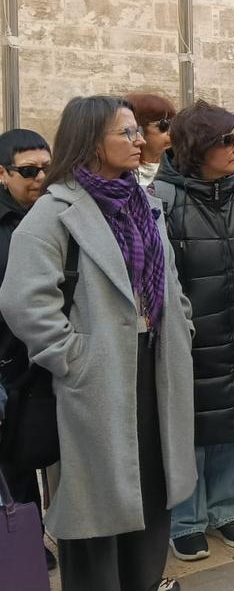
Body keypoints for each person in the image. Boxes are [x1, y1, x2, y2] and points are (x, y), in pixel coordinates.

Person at [0, 95, 195, 591]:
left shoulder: (143, 205)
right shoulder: (54, 212)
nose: (139, 140)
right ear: (90, 142)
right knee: (95, 509)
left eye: (137, 131)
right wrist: (75, 359)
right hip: (94, 379)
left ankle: (145, 582)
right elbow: (25, 302)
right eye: (125, 133)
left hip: (154, 368)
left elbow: (170, 282)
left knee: (152, 491)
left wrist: (182, 328)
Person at [150, 102, 234, 562]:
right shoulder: (160, 199)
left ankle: (226, 510)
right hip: (188, 338)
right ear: (198, 147)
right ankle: (185, 520)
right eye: (228, 140)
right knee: (190, 432)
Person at [0, 128, 57, 571]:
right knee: (12, 465)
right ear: (2, 174)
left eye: (45, 167)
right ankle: (22, 544)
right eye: (27, 170)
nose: (40, 177)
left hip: (46, 362)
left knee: (40, 453)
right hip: (7, 368)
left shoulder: (57, 216)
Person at [125, 92, 176, 187]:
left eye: (174, 123)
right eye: (164, 125)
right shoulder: (121, 178)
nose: (171, 132)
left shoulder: (179, 172)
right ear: (138, 131)